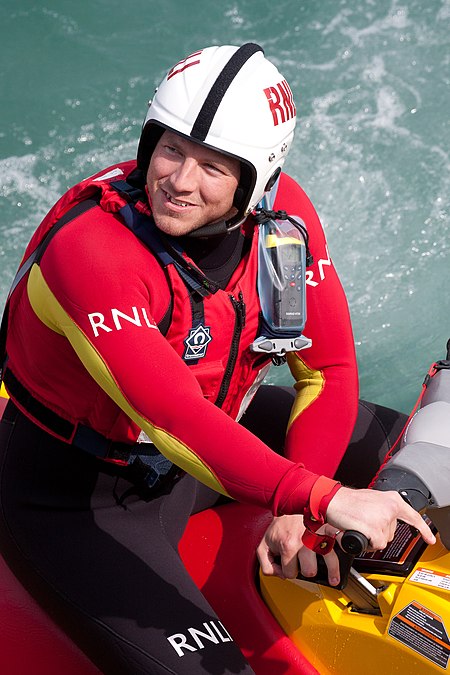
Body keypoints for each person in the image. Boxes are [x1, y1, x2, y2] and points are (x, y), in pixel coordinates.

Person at [0, 43, 434, 675]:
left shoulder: (283, 226)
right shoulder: (92, 253)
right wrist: (319, 497)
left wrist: (296, 508)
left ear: (256, 183)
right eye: (170, 149)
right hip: (78, 499)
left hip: (219, 433)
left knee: (421, 448)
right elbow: (173, 419)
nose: (178, 181)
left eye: (212, 166)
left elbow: (327, 371)